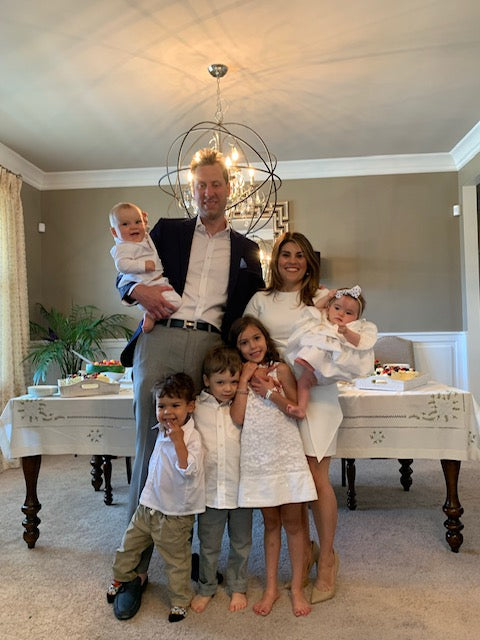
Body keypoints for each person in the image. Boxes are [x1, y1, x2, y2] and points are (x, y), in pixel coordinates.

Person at [115, 148, 264, 618]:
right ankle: (134, 570)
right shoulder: (168, 231)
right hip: (160, 337)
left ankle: (196, 560)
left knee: (197, 450)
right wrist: (131, 289)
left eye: (216, 184)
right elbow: (128, 260)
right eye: (200, 185)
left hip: (208, 350)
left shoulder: (245, 249)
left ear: (228, 187)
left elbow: (256, 306)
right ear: (192, 189)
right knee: (148, 448)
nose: (208, 192)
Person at [243, 231, 342, 604]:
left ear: (309, 262)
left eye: (300, 255)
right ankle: (306, 554)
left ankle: (328, 559)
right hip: (274, 397)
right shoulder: (260, 300)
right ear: (276, 260)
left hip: (315, 393)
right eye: (286, 254)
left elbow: (345, 331)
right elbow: (245, 342)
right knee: (289, 481)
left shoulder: (321, 298)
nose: (292, 261)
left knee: (317, 479)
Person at [229, 316, 317, 618]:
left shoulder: (281, 369)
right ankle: (270, 587)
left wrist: (269, 390)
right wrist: (244, 380)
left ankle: (296, 587)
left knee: (293, 524)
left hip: (286, 455)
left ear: (265, 339)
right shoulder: (240, 375)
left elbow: (296, 410)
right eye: (244, 342)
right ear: (237, 348)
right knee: (270, 525)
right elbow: (238, 418)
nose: (252, 346)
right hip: (258, 458)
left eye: (256, 338)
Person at [108, 373, 204, 623]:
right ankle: (122, 578)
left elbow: (189, 470)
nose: (167, 412)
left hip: (173, 514)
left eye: (175, 405)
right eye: (161, 406)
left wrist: (179, 442)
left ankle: (180, 601)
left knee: (177, 561)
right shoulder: (160, 429)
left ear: (190, 406)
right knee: (128, 546)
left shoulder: (192, 437)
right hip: (148, 505)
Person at [191, 345, 252, 614]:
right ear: (206, 381)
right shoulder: (196, 408)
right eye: (220, 382)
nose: (227, 388)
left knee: (241, 541)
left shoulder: (244, 405)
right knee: (209, 543)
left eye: (233, 381)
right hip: (210, 492)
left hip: (240, 489)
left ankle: (238, 585)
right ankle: (206, 586)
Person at [285, 285, 377, 418]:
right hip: (313, 371)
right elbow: (314, 309)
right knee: (303, 382)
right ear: (328, 308)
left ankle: (310, 361)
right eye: (337, 308)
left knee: (321, 345)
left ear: (357, 317)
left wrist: (347, 332)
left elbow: (359, 342)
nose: (341, 314)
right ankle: (301, 408)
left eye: (348, 313)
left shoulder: (355, 327)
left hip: (334, 366)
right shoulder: (323, 318)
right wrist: (327, 296)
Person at [109, 202, 182, 333]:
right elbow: (121, 265)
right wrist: (143, 266)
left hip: (158, 281)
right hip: (146, 284)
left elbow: (146, 236)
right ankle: (151, 315)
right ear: (114, 232)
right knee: (176, 303)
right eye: (125, 224)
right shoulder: (123, 248)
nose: (133, 227)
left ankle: (151, 314)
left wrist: (144, 224)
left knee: (177, 302)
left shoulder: (141, 239)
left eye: (137, 222)